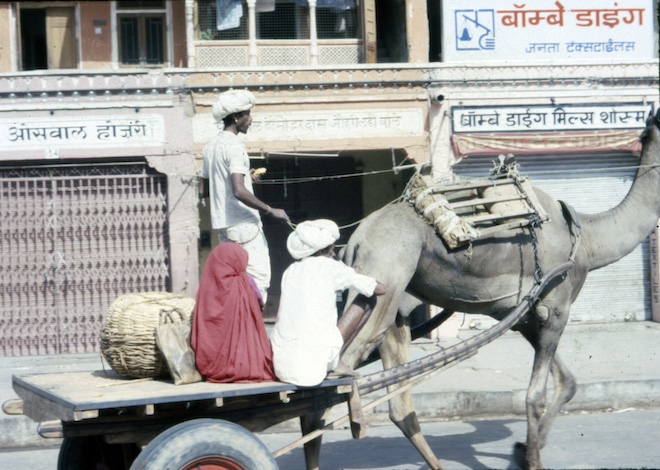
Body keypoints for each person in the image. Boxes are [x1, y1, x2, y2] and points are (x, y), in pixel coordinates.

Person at [199, 89, 289, 303]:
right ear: (235, 117)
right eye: (247, 114)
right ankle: (253, 322)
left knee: (235, 283)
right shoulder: (235, 146)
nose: (250, 119)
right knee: (259, 281)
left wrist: (246, 178)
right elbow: (239, 191)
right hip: (244, 225)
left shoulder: (210, 147)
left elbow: (204, 190)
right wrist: (270, 210)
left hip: (225, 229)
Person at [270, 219, 385, 387]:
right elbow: (380, 289)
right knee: (368, 298)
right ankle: (337, 361)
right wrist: (358, 276)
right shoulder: (331, 267)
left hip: (283, 367)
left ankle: (335, 359)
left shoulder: (290, 270)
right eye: (332, 248)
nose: (334, 253)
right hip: (312, 370)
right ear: (323, 249)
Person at [191, 242, 276, 383]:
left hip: (211, 364)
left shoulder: (206, 286)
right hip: (247, 365)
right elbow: (259, 301)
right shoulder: (246, 282)